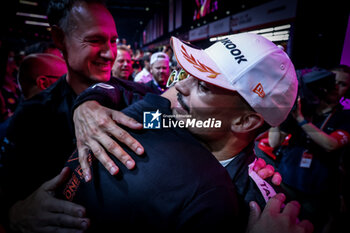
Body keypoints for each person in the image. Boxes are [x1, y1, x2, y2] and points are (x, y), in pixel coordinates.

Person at [70, 33, 312, 232]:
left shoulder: (254, 208)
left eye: (203, 85)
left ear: (244, 121)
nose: (180, 87)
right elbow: (126, 91)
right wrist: (88, 104)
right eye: (188, 75)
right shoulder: (166, 119)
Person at [0, 0, 154, 232]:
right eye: (94, 40)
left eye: (113, 41)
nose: (108, 53)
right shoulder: (33, 115)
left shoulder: (141, 97)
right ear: (59, 38)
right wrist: (15, 214)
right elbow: (9, 191)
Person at [268, 67, 350, 233]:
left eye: (342, 84)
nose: (335, 86)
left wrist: (301, 120)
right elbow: (273, 142)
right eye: (333, 81)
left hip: (317, 191)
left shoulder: (345, 117)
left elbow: (331, 144)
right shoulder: (303, 109)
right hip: (287, 181)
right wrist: (281, 114)